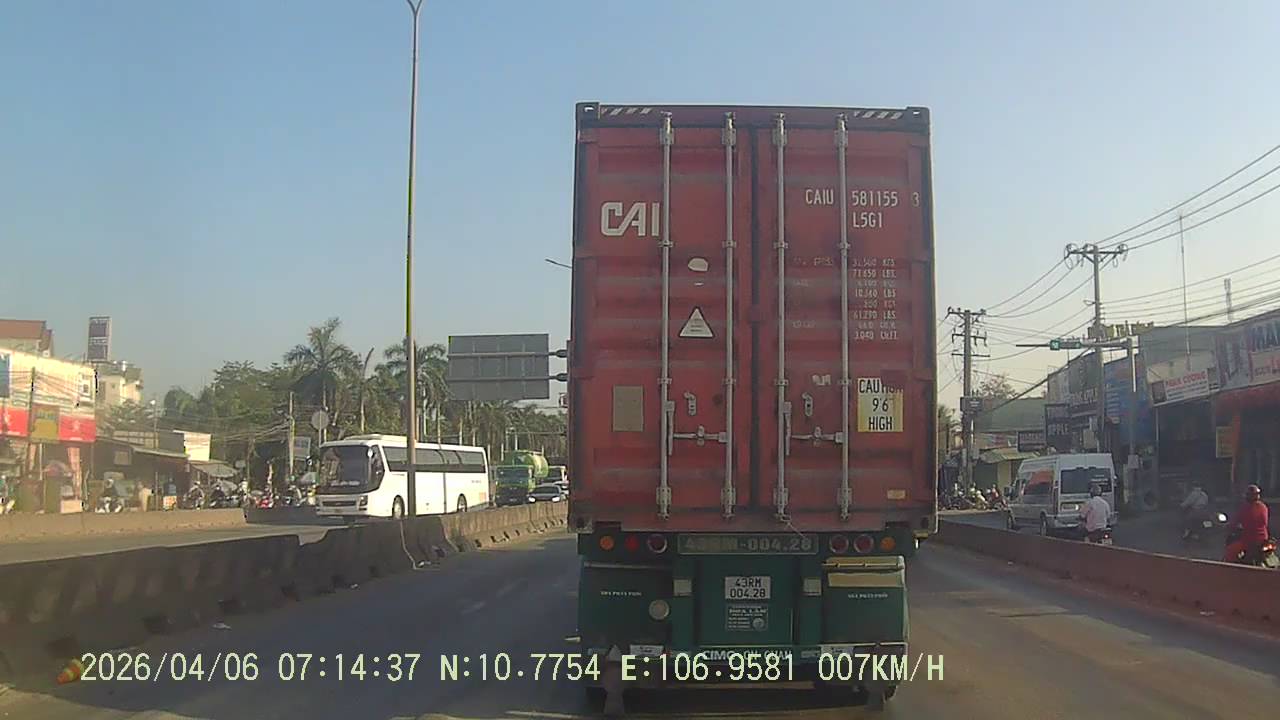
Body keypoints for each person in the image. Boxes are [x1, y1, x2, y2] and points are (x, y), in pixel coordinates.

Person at [1223, 485, 1270, 564]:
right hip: (1263, 538)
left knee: (1230, 551)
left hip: (1249, 540)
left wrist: (1227, 527)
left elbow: (1234, 522)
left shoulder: (1245, 508)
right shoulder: (1263, 507)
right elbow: (1265, 523)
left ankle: (1229, 569)